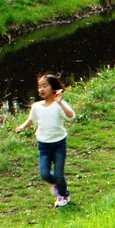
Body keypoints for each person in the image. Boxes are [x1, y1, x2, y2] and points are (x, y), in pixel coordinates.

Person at [15, 73, 77, 207]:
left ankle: (63, 195)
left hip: (59, 144)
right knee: (44, 174)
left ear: (53, 88)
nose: (41, 89)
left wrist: (60, 102)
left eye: (45, 86)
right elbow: (32, 119)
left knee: (59, 174)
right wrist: (23, 126)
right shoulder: (37, 106)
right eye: (39, 87)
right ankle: (56, 183)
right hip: (43, 145)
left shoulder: (59, 105)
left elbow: (71, 116)